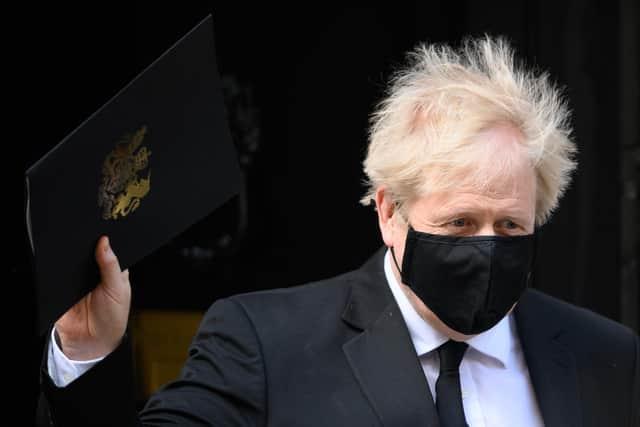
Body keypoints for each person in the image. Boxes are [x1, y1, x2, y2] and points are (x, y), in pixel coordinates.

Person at [40, 36, 639, 427]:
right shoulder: (267, 344)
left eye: (510, 225)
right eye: (458, 222)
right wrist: (88, 353)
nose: (486, 246)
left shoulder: (604, 357)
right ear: (389, 212)